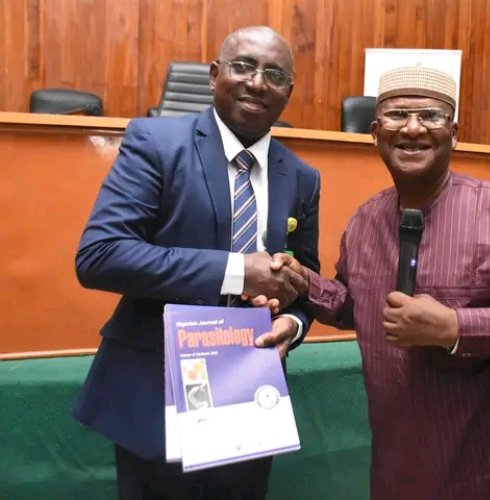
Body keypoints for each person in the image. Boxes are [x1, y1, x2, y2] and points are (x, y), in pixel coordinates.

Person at [271, 66, 490, 499]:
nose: (413, 128)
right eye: (398, 115)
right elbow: (355, 308)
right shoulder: (364, 221)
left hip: (489, 467)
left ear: (454, 134)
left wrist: (456, 327)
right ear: (375, 133)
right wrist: (304, 283)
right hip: (398, 466)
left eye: (431, 116)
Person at [73, 26, 319, 499]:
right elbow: (100, 255)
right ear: (213, 75)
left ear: (288, 91)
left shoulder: (302, 177)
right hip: (157, 393)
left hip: (249, 397)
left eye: (274, 75)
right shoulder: (156, 142)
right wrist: (236, 270)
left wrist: (293, 323)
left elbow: (303, 278)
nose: (257, 82)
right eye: (243, 67)